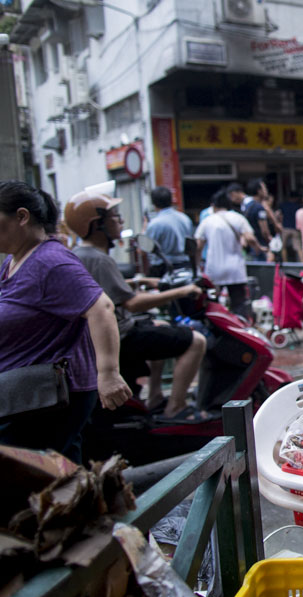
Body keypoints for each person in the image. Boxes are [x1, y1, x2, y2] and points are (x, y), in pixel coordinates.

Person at [0, 182, 132, 462]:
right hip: (23, 393)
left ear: (22, 217)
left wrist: (108, 374)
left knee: (36, 477)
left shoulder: (51, 262)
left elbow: (102, 307)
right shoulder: (14, 261)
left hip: (46, 397)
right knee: (57, 481)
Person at [67, 189, 208, 423]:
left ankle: (154, 397)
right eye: (115, 217)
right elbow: (131, 303)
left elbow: (110, 288)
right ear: (96, 225)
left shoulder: (82, 254)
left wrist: (139, 281)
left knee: (160, 324)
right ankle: (176, 406)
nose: (120, 222)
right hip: (121, 334)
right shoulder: (99, 259)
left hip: (111, 333)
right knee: (196, 341)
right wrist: (183, 291)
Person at [195, 190, 263, 317]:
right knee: (238, 304)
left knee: (213, 303)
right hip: (235, 269)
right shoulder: (238, 218)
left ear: (213, 206)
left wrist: (197, 266)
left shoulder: (208, 221)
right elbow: (250, 238)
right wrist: (258, 248)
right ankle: (239, 329)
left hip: (214, 269)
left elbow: (198, 246)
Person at [145, 186, 194, 275]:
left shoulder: (155, 224)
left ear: (154, 203)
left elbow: (148, 249)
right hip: (185, 266)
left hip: (164, 269)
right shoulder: (185, 219)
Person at [242, 178, 277, 261]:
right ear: (259, 191)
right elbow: (264, 231)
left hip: (250, 246)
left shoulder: (247, 206)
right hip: (261, 246)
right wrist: (269, 240)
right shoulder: (259, 207)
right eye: (264, 188)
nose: (266, 190)